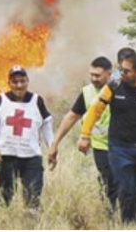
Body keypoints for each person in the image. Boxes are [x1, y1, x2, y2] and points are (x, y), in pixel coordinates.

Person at [80, 53, 136, 225]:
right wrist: (85, 135)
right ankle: (128, 225)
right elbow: (94, 111)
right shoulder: (113, 87)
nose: (121, 73)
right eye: (121, 69)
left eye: (126, 71)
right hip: (120, 149)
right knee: (127, 190)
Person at [47, 56, 117, 212]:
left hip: (121, 145)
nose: (93, 78)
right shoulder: (87, 93)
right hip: (100, 146)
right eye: (91, 74)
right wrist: (55, 143)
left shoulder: (119, 89)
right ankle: (111, 216)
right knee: (108, 180)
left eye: (97, 75)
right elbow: (71, 117)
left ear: (109, 74)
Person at [0, 66, 54, 209]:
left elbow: (46, 125)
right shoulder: (0, 100)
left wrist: (52, 147)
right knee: (3, 198)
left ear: (27, 81)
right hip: (7, 156)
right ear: (9, 83)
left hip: (31, 157)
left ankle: (31, 224)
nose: (19, 85)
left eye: (22, 81)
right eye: (15, 82)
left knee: (33, 197)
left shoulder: (36, 101)